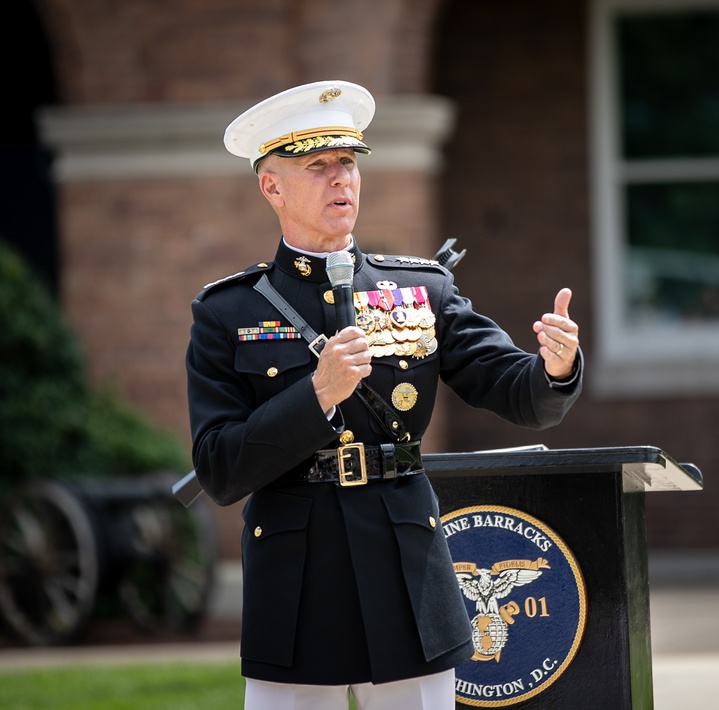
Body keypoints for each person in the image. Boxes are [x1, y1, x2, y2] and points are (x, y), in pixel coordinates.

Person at [185, 80, 583, 710]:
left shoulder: (419, 290)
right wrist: (317, 395)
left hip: (406, 570)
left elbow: (516, 391)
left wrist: (555, 368)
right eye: (316, 166)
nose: (339, 179)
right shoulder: (225, 312)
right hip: (294, 580)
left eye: (346, 162)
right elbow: (218, 467)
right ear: (272, 186)